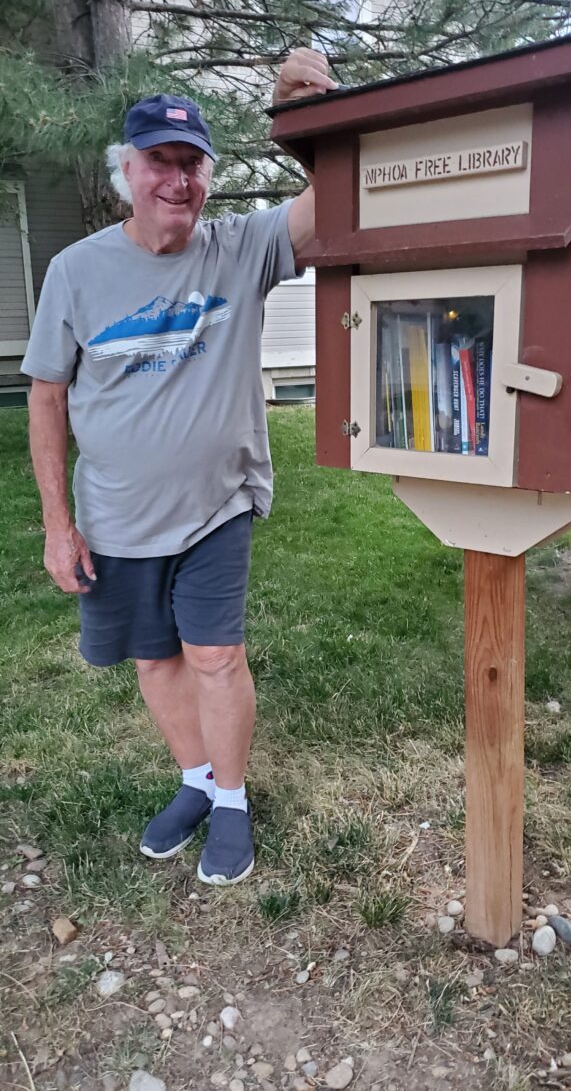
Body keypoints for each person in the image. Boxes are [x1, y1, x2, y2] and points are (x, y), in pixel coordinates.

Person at [21, 48, 337, 887]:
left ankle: (230, 800)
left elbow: (339, 200)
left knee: (213, 657)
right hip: (114, 515)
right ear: (127, 170)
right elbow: (46, 399)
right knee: (154, 660)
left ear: (207, 173)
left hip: (216, 506)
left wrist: (304, 127)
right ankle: (194, 781)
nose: (177, 178)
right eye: (159, 160)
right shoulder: (75, 272)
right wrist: (58, 525)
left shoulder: (241, 249)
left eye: (191, 161)